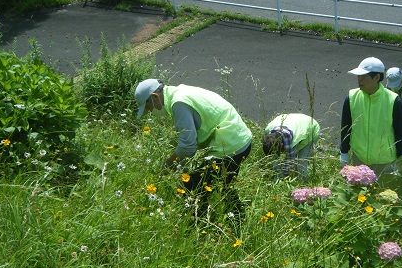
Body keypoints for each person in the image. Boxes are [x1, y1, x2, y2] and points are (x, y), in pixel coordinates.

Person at [135, 79, 252, 218]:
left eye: (148, 107)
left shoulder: (179, 104)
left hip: (230, 145)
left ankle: (198, 223)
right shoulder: (179, 92)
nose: (150, 111)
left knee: (190, 187)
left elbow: (187, 148)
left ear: (155, 97)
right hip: (239, 139)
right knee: (224, 187)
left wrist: (167, 166)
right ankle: (237, 219)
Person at [340, 57, 402, 175]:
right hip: (359, 159)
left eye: (364, 76)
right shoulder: (351, 97)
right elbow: (346, 127)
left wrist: (401, 162)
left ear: (377, 77)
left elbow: (401, 133)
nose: (359, 79)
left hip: (385, 162)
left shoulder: (393, 101)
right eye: (358, 76)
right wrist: (344, 152)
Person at [262, 113, 321, 180]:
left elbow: (289, 164)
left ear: (282, 145)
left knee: (301, 163)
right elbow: (275, 158)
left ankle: (303, 183)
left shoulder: (293, 142)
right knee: (278, 162)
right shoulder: (268, 130)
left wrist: (282, 178)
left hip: (311, 127)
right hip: (292, 121)